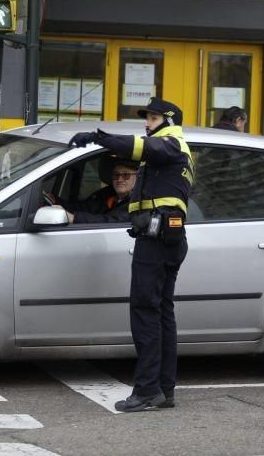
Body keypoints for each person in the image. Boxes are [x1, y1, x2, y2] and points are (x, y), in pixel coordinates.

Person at [68, 97, 194, 412]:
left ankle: (149, 390)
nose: (146, 123)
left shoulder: (171, 144)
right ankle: (163, 390)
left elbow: (140, 147)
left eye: (151, 118)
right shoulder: (169, 151)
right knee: (161, 313)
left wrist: (98, 137)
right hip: (164, 236)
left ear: (167, 120)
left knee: (145, 311)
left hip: (158, 239)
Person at [63, 158, 138, 224]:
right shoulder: (107, 195)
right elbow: (85, 207)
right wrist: (57, 202)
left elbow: (111, 221)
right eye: (116, 175)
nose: (119, 179)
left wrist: (74, 218)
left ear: (137, 177)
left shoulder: (138, 202)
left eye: (125, 175)